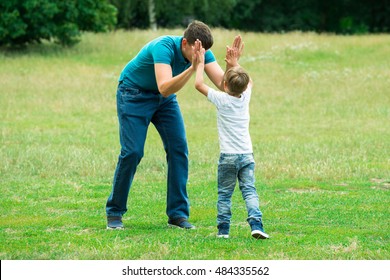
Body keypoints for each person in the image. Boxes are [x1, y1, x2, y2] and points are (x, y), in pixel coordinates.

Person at [106, 20, 244, 230]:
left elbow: (225, 86)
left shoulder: (201, 52)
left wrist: (232, 65)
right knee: (132, 152)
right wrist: (192, 68)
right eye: (196, 50)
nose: (201, 54)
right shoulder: (163, 47)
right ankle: (115, 212)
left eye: (204, 52)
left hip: (164, 101)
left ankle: (177, 216)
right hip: (133, 94)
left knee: (179, 149)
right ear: (185, 43)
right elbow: (164, 87)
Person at [194, 40, 269, 239]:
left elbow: (198, 84)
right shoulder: (245, 96)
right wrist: (235, 63)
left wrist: (200, 63)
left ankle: (223, 231)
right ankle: (256, 225)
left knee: (225, 195)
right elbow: (247, 82)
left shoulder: (221, 99)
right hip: (246, 155)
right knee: (249, 191)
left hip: (227, 157)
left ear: (224, 85)